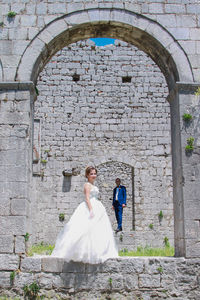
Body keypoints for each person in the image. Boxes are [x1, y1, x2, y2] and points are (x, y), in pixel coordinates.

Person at [51, 166, 118, 264]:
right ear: (87, 175)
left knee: (97, 230)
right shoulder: (87, 185)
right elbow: (87, 198)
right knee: (85, 230)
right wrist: (91, 210)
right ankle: (83, 252)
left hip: (98, 206)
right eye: (91, 174)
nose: (93, 175)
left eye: (95, 173)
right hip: (89, 206)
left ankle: (98, 251)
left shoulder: (94, 185)